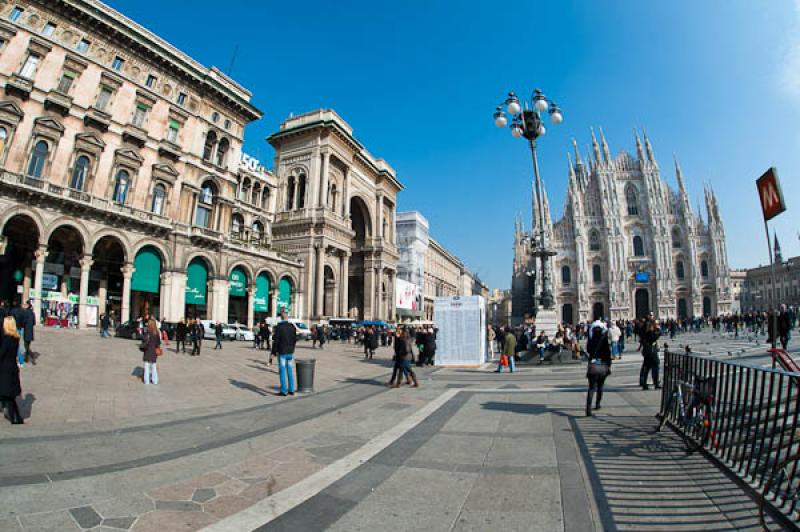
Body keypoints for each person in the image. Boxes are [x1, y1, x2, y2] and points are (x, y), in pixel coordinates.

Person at [585, 322, 612, 416]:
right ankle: (597, 404)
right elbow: (608, 354)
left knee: (591, 388)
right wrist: (609, 366)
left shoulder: (591, 340)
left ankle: (588, 409)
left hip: (592, 366)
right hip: (602, 366)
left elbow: (588, 350)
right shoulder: (604, 340)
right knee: (600, 387)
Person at [0, 316, 23, 424]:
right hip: (12, 367)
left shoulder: (7, 339)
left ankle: (15, 418)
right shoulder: (15, 337)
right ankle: (17, 418)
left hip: (5, 370)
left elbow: (2, 354)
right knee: (10, 396)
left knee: (8, 396)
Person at [271, 310, 297, 396]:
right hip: (290, 352)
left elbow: (276, 341)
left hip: (282, 352)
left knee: (282, 371)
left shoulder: (279, 327)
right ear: (287, 317)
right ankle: (292, 389)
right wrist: (292, 348)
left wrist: (273, 352)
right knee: (289, 370)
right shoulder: (292, 326)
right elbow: (294, 339)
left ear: (281, 318)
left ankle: (284, 391)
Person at [639, 319, 661, 390]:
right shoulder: (650, 332)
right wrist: (658, 331)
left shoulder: (645, 332)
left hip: (647, 352)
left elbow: (642, 340)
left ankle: (644, 383)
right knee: (656, 366)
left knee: (646, 368)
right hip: (652, 352)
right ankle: (656, 383)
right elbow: (654, 338)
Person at [141, 319, 162, 385]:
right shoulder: (156, 333)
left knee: (146, 367)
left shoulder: (147, 333)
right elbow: (158, 343)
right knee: (153, 366)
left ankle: (146, 381)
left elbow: (143, 341)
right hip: (153, 352)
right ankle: (155, 381)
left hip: (147, 351)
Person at [21, 301, 35, 365]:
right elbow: (34, 322)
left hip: (26, 330)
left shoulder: (25, 312)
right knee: (28, 344)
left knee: (26, 345)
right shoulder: (32, 313)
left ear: (27, 305)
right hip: (31, 331)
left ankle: (32, 356)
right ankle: (26, 358)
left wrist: (22, 325)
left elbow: (23, 321)